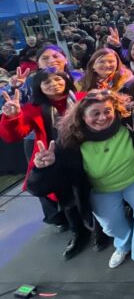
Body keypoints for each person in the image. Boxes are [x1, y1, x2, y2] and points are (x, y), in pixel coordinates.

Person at [26, 89, 134, 269]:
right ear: (82, 116)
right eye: (95, 113)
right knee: (111, 227)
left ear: (115, 110)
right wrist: (44, 169)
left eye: (107, 111)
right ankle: (124, 244)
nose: (102, 117)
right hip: (101, 190)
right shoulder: (70, 141)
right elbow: (38, 188)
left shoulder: (128, 122)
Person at [0, 69, 92, 259]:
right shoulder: (33, 108)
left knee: (94, 193)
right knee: (68, 199)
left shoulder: (83, 98)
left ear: (66, 80)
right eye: (47, 82)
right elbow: (14, 135)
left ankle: (99, 228)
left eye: (57, 79)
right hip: (56, 160)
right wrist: (12, 117)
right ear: (39, 87)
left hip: (88, 155)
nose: (53, 84)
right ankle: (79, 232)